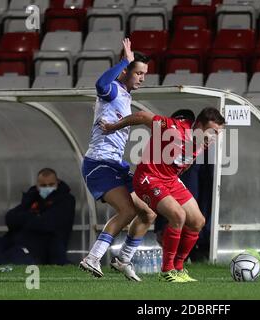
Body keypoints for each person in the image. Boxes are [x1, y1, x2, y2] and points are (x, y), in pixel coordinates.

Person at [99, 107, 226, 282]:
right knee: (178, 215)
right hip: (148, 178)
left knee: (198, 221)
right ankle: (167, 270)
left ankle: (179, 268)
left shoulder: (202, 142)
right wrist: (113, 126)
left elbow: (182, 162)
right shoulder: (174, 128)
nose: (212, 138)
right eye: (210, 132)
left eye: (217, 134)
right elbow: (143, 116)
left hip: (170, 180)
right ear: (197, 125)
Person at [79, 38, 157, 281]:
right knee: (127, 209)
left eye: (145, 73)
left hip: (116, 164)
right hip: (99, 163)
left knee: (148, 213)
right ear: (125, 72)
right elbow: (100, 83)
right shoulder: (113, 90)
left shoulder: (125, 96)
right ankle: (92, 258)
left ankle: (123, 260)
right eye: (138, 72)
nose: (142, 78)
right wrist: (124, 60)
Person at [0, 168, 75, 265]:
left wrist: (24, 219)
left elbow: (47, 224)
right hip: (16, 241)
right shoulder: (31, 198)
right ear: (37, 186)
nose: (47, 188)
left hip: (41, 246)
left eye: (51, 185)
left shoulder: (66, 200)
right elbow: (10, 218)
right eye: (43, 185)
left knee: (17, 253)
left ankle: (4, 268)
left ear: (57, 183)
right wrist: (33, 217)